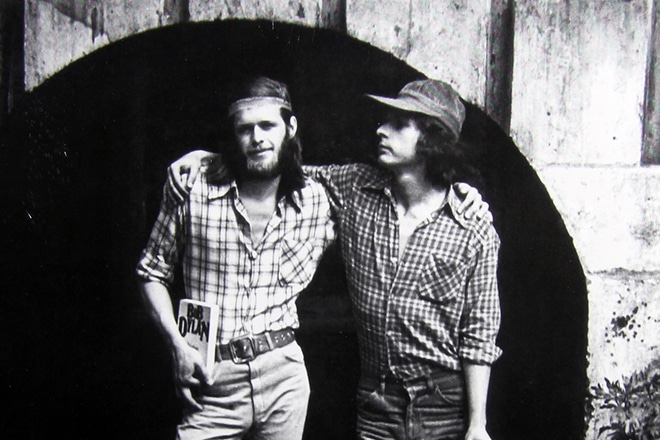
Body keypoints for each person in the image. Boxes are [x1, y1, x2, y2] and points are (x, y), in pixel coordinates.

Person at [168, 78, 501, 440]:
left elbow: (479, 334)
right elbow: (280, 166)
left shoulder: (472, 227)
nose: (381, 130)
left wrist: (477, 424)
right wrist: (208, 159)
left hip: (445, 404)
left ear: (433, 141)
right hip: (377, 402)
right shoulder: (356, 188)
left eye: (398, 124)